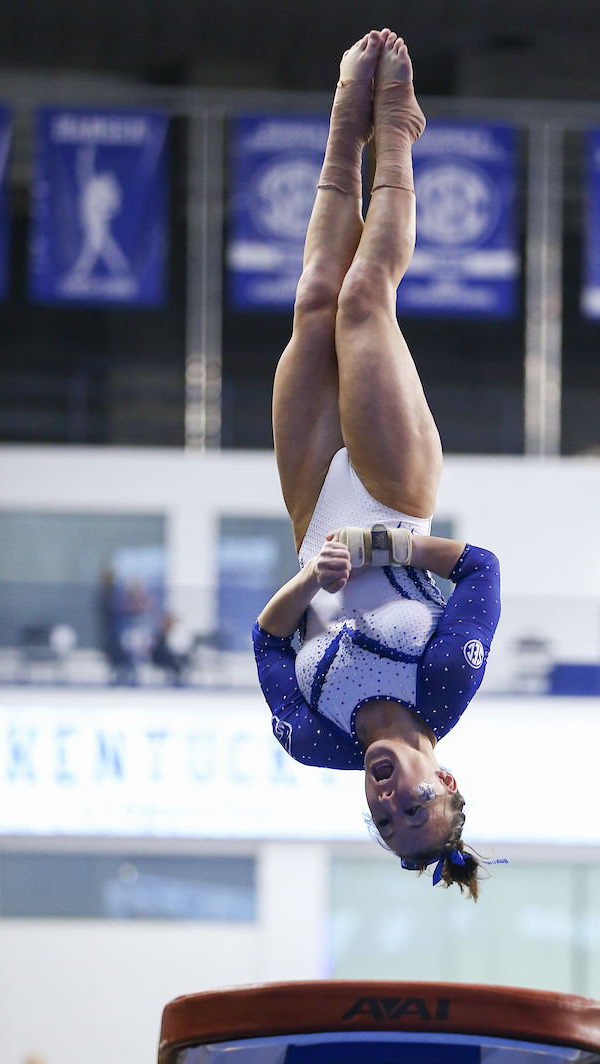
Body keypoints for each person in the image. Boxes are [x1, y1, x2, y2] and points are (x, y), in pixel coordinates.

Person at [252, 29, 502, 899]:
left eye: (385, 819)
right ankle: (394, 128)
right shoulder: (446, 680)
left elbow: (267, 638)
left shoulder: (312, 737)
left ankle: (338, 127)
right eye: (416, 808)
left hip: (312, 510)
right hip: (397, 499)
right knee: (364, 300)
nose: (391, 801)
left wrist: (313, 577)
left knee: (317, 295)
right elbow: (480, 567)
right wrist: (380, 552)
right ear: (447, 782)